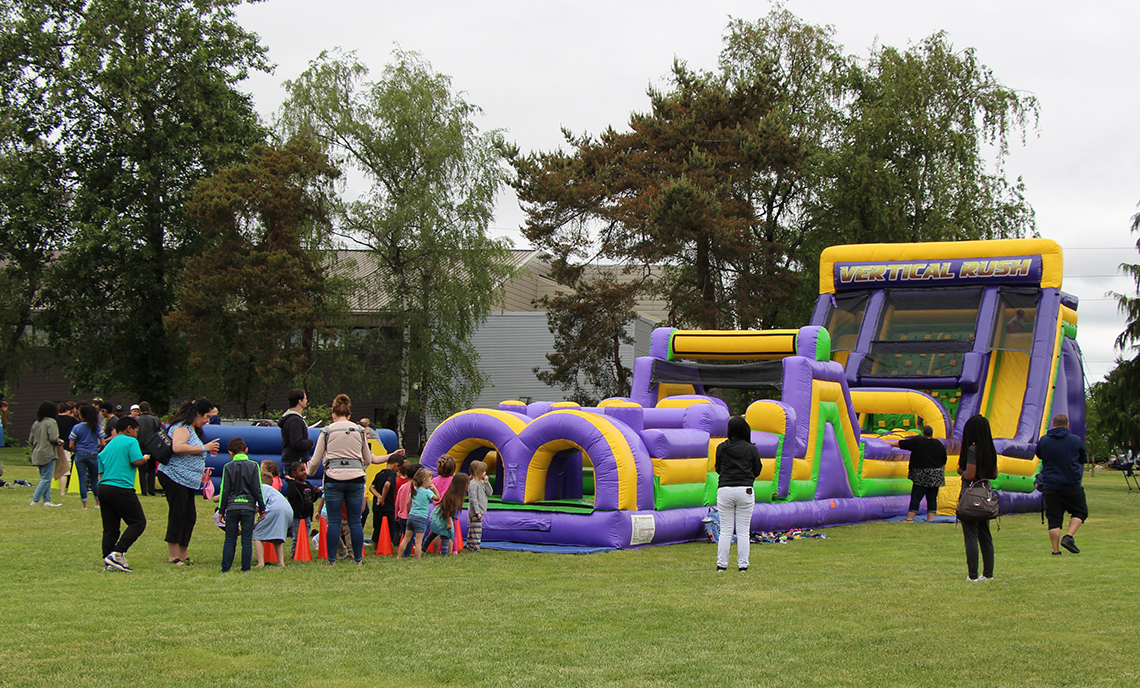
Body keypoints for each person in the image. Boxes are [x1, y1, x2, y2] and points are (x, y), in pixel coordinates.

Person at [306, 394, 405, 566]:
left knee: (334, 520)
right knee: (354, 520)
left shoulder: (327, 431)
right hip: (356, 478)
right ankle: (358, 559)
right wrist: (391, 455)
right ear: (349, 414)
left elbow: (315, 461)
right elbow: (370, 460)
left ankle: (331, 560)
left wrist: (309, 471)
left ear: (333, 415)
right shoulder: (359, 431)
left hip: (334, 478)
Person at [158, 398, 220, 566]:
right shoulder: (182, 428)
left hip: (187, 480)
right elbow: (177, 448)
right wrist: (204, 448)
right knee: (178, 515)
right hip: (174, 476)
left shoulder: (193, 429)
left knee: (189, 516)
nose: (207, 421)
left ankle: (183, 554)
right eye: (206, 416)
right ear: (198, 413)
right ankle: (173, 556)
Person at [97, 416, 148, 572]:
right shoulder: (130, 441)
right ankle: (117, 553)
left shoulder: (109, 444)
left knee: (110, 527)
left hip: (104, 486)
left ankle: (108, 561)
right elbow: (136, 461)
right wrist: (145, 458)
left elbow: (100, 467)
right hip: (121, 487)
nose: (136, 434)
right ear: (129, 429)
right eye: (136, 431)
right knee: (138, 522)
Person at [1036, 413, 1089, 555]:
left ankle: (1055, 550)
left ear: (1053, 424)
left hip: (1050, 485)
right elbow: (1082, 458)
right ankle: (1069, 536)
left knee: (1054, 518)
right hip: (1071, 484)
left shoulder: (1044, 440)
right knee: (1080, 511)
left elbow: (1039, 455)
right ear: (1067, 425)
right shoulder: (1076, 440)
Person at [714, 416, 762, 572]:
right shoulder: (751, 448)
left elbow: (718, 468)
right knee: (743, 530)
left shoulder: (722, 447)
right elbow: (757, 470)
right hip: (745, 490)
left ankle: (722, 565)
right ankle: (743, 565)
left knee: (726, 530)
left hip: (725, 489)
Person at [958, 414, 998, 581]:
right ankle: (988, 574)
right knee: (985, 535)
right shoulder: (990, 449)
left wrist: (961, 471)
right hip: (985, 495)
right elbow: (994, 474)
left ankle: (972, 575)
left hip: (971, 494)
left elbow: (970, 474)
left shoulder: (972, 450)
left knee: (970, 536)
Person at [218, 437, 265, 573]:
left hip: (232, 507)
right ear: (246, 450)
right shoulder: (254, 466)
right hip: (248, 507)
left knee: (230, 539)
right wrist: (262, 508)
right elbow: (257, 488)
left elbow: (224, 490)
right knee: (246, 540)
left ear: (230, 452)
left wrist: (222, 509)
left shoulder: (227, 467)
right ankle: (245, 568)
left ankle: (225, 568)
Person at [888, 425, 948, 522]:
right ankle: (930, 519)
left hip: (921, 474)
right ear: (932, 433)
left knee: (916, 496)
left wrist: (887, 443)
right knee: (932, 497)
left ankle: (910, 518)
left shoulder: (918, 442)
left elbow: (901, 444)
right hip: (936, 474)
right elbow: (944, 460)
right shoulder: (939, 444)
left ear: (923, 433)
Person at [396, 467, 440, 560]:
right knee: (418, 542)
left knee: (406, 538)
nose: (431, 481)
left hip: (412, 516)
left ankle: (398, 556)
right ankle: (418, 559)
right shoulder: (427, 492)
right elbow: (437, 498)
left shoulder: (414, 490)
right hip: (421, 518)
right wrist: (434, 489)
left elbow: (408, 503)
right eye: (430, 479)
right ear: (424, 480)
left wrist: (408, 513)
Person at [254, 461, 291, 567]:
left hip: (275, 509)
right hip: (287, 510)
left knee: (258, 535)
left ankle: (260, 563)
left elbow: (258, 507)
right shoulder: (274, 491)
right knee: (277, 538)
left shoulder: (261, 488)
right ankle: (281, 562)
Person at [69, 405, 106, 509]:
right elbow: (103, 442)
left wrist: (76, 451)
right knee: (95, 479)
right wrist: (98, 450)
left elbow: (71, 445)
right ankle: (97, 503)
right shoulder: (96, 427)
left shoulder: (76, 427)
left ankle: (84, 504)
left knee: (82, 479)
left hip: (80, 454)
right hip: (93, 453)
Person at [423, 472, 469, 556]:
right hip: (442, 516)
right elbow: (446, 510)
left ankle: (425, 550)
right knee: (444, 535)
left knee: (436, 534)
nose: (468, 486)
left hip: (442, 515)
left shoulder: (456, 495)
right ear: (461, 485)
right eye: (467, 484)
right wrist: (449, 522)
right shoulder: (453, 497)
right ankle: (444, 553)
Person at [29, 400, 64, 507]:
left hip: (36, 453)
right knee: (46, 479)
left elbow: (31, 439)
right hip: (47, 453)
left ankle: (47, 500)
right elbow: (53, 438)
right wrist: (60, 441)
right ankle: (35, 500)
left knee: (45, 477)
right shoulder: (51, 422)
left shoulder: (36, 423)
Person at [284, 461, 322, 557]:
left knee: (305, 534)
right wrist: (291, 482)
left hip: (307, 515)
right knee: (297, 536)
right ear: (294, 473)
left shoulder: (308, 485)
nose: (305, 472)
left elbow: (312, 499)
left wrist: (316, 493)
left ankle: (303, 550)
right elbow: (291, 495)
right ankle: (294, 553)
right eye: (301, 470)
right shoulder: (294, 486)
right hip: (297, 516)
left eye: (306, 470)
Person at [369, 454, 403, 551]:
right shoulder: (391, 474)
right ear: (395, 465)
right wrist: (383, 498)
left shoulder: (379, 473)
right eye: (399, 468)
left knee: (377, 527)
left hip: (376, 505)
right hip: (387, 506)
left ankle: (375, 546)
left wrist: (378, 496)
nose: (398, 471)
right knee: (388, 527)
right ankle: (386, 546)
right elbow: (387, 485)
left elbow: (371, 487)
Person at [134, 402, 164, 496]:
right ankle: (151, 490)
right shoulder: (155, 420)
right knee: (151, 469)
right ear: (149, 409)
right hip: (152, 447)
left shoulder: (136, 421)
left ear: (140, 410)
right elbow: (161, 433)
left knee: (142, 470)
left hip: (140, 447)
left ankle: (144, 491)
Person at [279, 389, 313, 466]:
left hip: (292, 460)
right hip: (295, 462)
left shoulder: (291, 419)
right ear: (300, 401)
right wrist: (310, 443)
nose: (306, 401)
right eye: (305, 398)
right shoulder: (294, 421)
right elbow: (296, 442)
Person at [394, 462, 420, 557]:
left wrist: (397, 513)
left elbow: (398, 501)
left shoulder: (403, 487)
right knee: (411, 537)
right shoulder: (416, 489)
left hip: (402, 516)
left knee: (405, 536)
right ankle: (407, 553)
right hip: (412, 516)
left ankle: (404, 553)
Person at [466, 459, 492, 551]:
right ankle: (476, 547)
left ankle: (470, 545)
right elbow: (473, 499)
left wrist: (486, 482)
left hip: (480, 510)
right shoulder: (473, 484)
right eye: (483, 471)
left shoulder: (481, 483)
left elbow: (490, 493)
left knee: (473, 528)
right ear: (477, 472)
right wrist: (477, 512)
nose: (485, 473)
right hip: (476, 511)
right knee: (477, 530)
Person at [55, 401, 78, 497]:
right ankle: (62, 492)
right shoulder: (71, 421)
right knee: (65, 470)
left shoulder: (54, 420)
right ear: (68, 410)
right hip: (65, 447)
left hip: (54, 446)